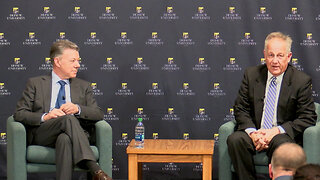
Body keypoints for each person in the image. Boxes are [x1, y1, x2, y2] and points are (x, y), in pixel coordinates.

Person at [14, 40, 112, 180]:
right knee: (67, 118)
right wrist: (46, 116)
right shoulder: (35, 83)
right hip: (44, 133)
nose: (77, 65)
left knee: (64, 139)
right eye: (73, 61)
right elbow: (19, 114)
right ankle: (93, 167)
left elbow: (98, 113)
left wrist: (77, 108)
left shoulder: (83, 86)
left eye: (78, 60)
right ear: (57, 62)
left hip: (73, 135)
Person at [227, 32, 317, 180]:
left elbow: (308, 117)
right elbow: (241, 108)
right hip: (255, 132)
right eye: (271, 55)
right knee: (235, 139)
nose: (275, 61)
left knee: (281, 143)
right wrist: (253, 133)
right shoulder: (251, 74)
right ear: (264, 55)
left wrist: (276, 131)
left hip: (280, 134)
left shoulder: (301, 80)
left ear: (288, 57)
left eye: (280, 56)